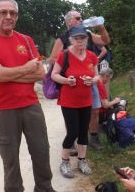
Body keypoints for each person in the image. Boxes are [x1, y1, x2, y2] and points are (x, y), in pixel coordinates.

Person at [0, 0, 55, 192]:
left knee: (41, 152)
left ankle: (44, 188)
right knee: (10, 161)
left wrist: (7, 73)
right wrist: (24, 68)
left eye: (13, 13)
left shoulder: (26, 40)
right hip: (4, 110)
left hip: (31, 106)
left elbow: (40, 74)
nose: (9, 16)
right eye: (3, 12)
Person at [49, 10, 111, 154]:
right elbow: (52, 59)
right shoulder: (62, 39)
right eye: (78, 18)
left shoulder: (88, 34)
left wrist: (100, 26)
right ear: (69, 21)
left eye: (81, 17)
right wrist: (68, 70)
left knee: (95, 110)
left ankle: (93, 137)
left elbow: (105, 41)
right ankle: (71, 141)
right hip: (70, 84)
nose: (82, 19)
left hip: (90, 81)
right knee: (71, 114)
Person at [51, 24, 99, 178]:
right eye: (76, 38)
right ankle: (64, 162)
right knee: (72, 132)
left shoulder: (91, 56)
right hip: (69, 101)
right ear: (71, 40)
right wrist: (66, 80)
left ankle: (82, 160)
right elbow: (54, 74)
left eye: (83, 38)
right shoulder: (64, 55)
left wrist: (92, 80)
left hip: (86, 100)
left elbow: (97, 76)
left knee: (83, 132)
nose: (80, 41)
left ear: (87, 39)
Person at [88, 68, 121, 149]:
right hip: (98, 114)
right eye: (109, 78)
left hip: (89, 112)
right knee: (119, 111)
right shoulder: (100, 84)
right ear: (105, 76)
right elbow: (105, 105)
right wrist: (115, 101)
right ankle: (113, 135)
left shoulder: (95, 80)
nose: (109, 80)